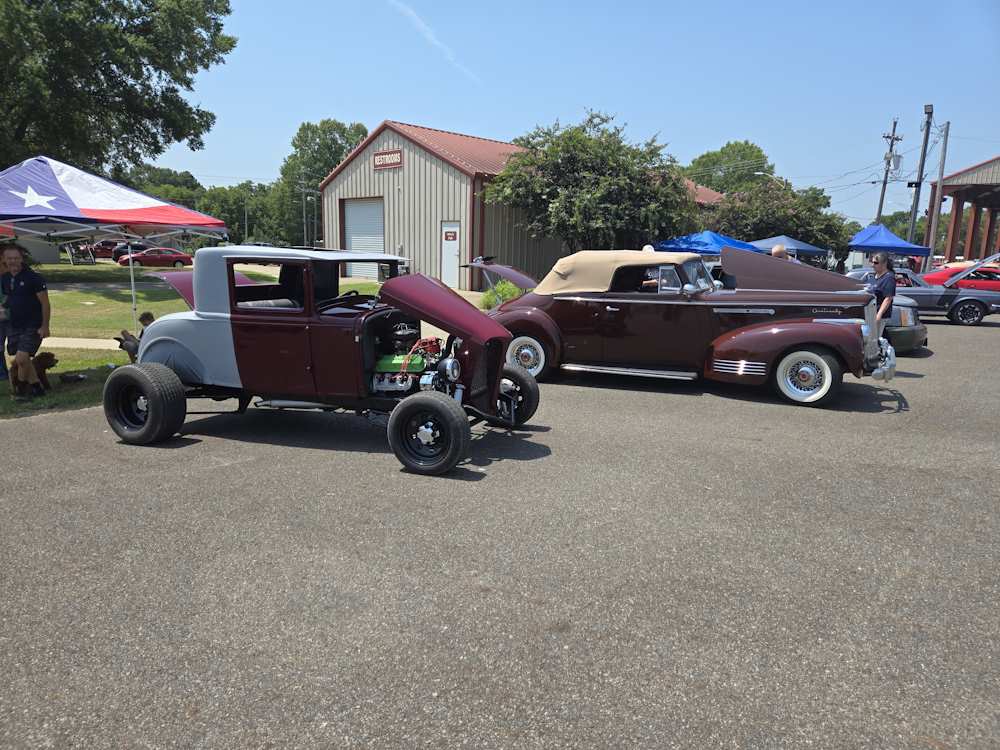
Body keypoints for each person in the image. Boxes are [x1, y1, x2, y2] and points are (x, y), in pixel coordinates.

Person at [1, 243, 50, 400]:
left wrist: (45, 326)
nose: (13, 261)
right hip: (14, 324)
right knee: (23, 360)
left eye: (16, 258)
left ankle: (20, 391)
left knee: (21, 359)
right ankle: (37, 388)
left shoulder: (34, 278)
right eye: (9, 258)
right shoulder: (5, 278)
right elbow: (10, 298)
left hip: (33, 325)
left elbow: (45, 303)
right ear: (4, 259)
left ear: (21, 258)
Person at [869, 251, 896, 336]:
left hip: (878, 316)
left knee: (874, 339)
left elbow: (888, 298)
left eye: (876, 263)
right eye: (872, 262)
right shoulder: (873, 276)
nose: (872, 265)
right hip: (870, 313)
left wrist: (878, 315)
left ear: (884, 264)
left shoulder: (889, 278)